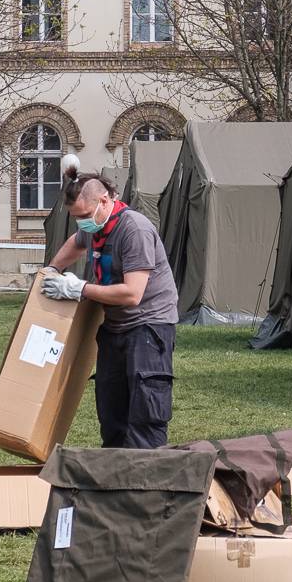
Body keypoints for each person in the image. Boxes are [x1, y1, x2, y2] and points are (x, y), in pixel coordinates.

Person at [43, 172, 181, 447]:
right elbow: (77, 241)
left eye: (84, 215)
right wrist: (52, 269)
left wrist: (79, 288)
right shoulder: (95, 225)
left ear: (104, 201)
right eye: (76, 218)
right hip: (114, 327)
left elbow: (132, 294)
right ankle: (115, 480)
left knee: (144, 414)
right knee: (111, 412)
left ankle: (148, 480)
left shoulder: (134, 230)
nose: (81, 223)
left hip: (148, 327)